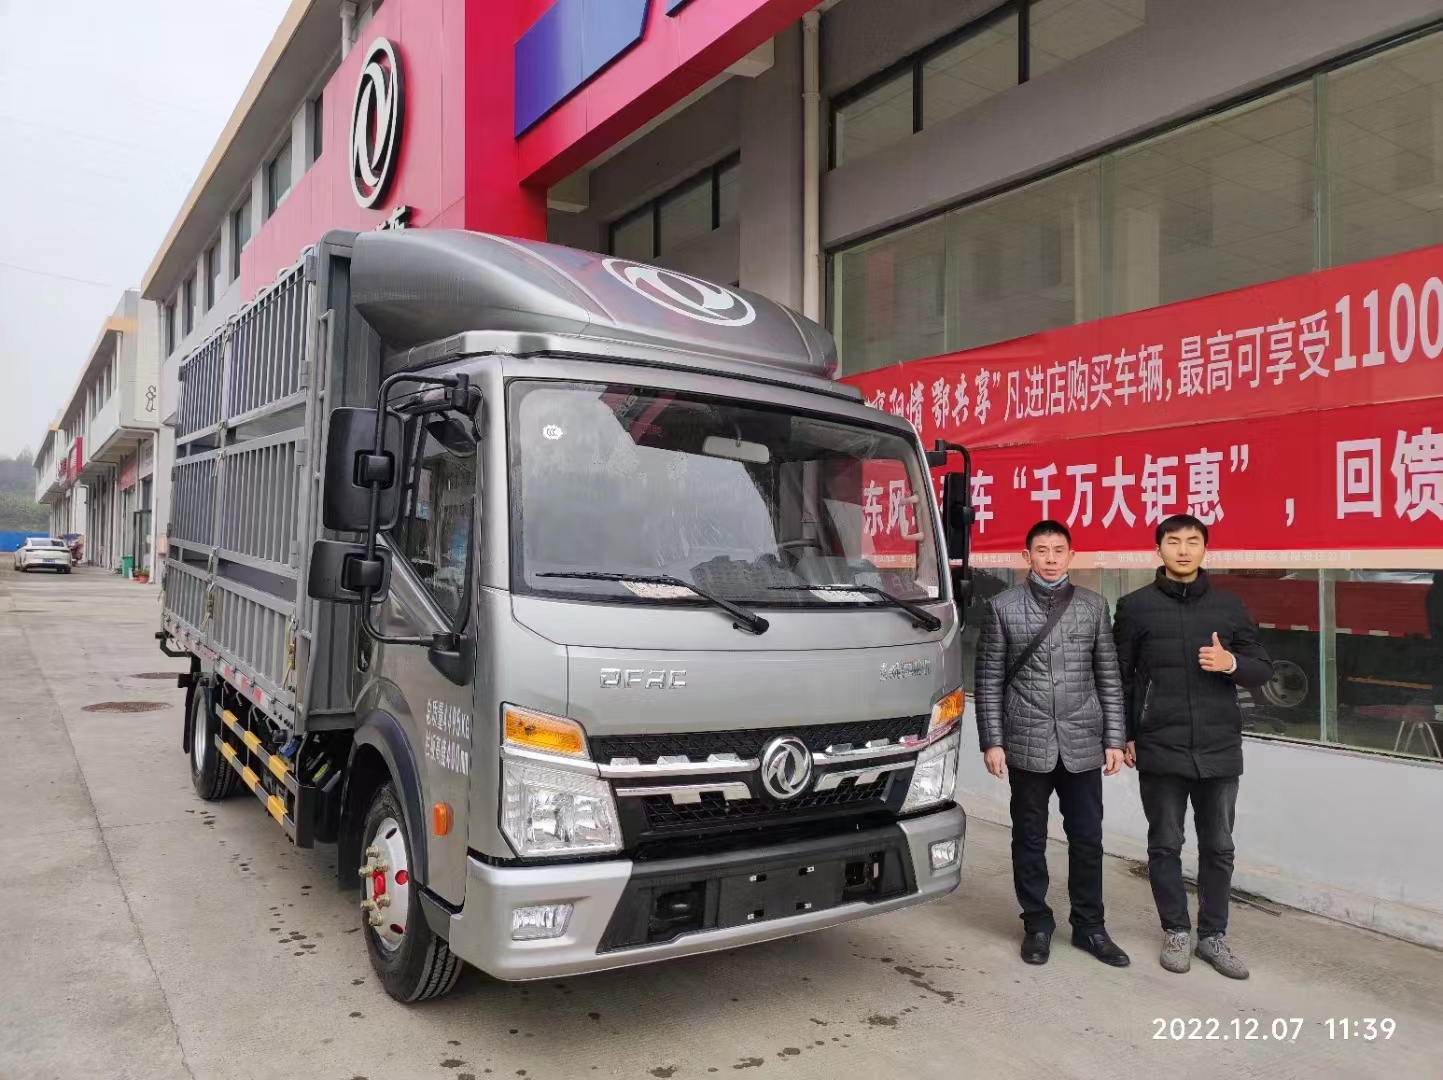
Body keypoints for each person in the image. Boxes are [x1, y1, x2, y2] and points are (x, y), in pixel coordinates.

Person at [1113, 514, 1273, 980]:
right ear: (1158, 549)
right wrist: (1124, 735)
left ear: (1205, 549)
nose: (1183, 550)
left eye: (1193, 541)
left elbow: (1262, 669)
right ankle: (1177, 932)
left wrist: (1230, 662)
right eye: (1173, 541)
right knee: (1165, 844)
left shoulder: (1229, 606)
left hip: (1218, 745)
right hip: (1160, 744)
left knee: (1219, 847)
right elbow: (1121, 679)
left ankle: (1213, 936)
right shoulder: (1135, 607)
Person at [974, 520, 1129, 967]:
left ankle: (1090, 927)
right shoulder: (1003, 607)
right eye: (1041, 551)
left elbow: (1108, 677)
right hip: (1027, 739)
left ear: (1071, 556)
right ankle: (1037, 924)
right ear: (1027, 557)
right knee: (1029, 838)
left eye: (1058, 551)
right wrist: (993, 741)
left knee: (1088, 839)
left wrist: (1114, 738)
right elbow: (988, 680)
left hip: (1082, 741)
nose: (1050, 559)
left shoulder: (1093, 606)